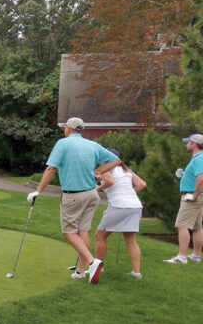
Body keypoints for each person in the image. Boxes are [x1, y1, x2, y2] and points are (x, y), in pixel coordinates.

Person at [27, 117, 120, 284]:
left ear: (68, 128)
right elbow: (116, 160)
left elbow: (51, 168)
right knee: (82, 230)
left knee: (69, 232)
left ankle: (93, 263)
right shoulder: (92, 145)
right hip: (92, 194)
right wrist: (98, 171)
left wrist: (38, 191)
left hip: (74, 196)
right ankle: (80, 271)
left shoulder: (63, 143)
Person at [94, 148, 147, 279]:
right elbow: (141, 184)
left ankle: (97, 268)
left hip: (119, 205)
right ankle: (136, 273)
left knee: (99, 236)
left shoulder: (106, 169)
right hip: (135, 205)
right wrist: (129, 195)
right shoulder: (126, 170)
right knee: (130, 239)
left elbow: (110, 182)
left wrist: (97, 189)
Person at [164, 133, 203, 264]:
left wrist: (194, 196)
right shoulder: (197, 158)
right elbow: (196, 176)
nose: (186, 145)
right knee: (197, 227)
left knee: (181, 225)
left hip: (191, 196)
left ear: (194, 144)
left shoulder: (199, 158)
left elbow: (201, 178)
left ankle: (181, 257)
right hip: (195, 195)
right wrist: (185, 174)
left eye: (188, 142)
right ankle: (196, 256)